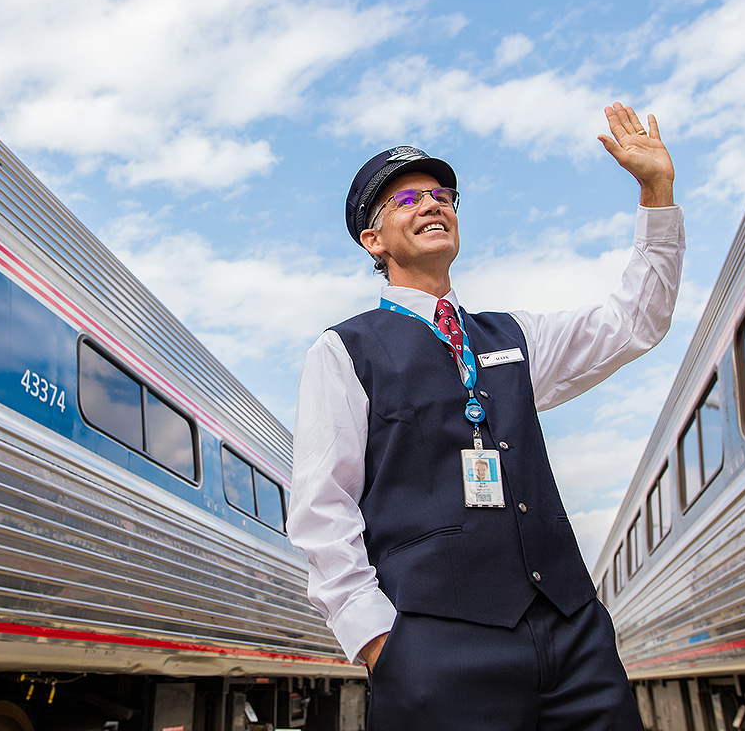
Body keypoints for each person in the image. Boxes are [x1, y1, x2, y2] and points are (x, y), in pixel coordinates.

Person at [287, 103, 683, 730]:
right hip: (437, 652)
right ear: (373, 239)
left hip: (573, 636)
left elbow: (638, 319)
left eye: (443, 193)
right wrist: (379, 644)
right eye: (408, 198)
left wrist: (656, 194)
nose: (433, 203)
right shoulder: (345, 351)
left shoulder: (513, 336)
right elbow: (321, 508)